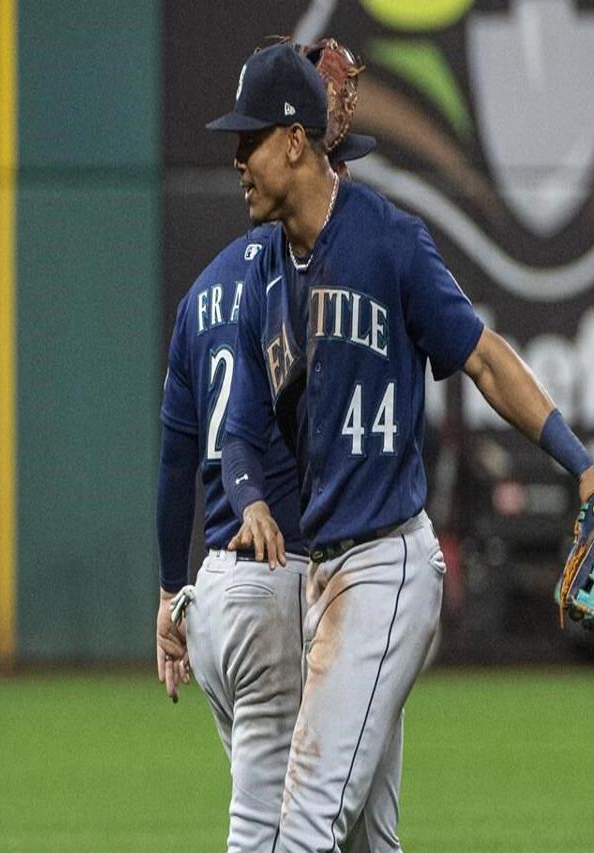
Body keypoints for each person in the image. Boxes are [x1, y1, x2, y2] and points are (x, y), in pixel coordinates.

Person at [205, 42, 594, 852]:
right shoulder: (262, 278)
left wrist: (580, 459)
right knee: (365, 840)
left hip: (385, 571)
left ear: (291, 141)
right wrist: (247, 497)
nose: (235, 159)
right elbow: (238, 426)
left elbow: (483, 356)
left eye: (247, 140)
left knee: (302, 819)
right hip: (321, 579)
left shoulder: (388, 240)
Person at [156, 118, 376, 847]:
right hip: (276, 580)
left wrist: (166, 592)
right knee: (273, 830)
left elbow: (175, 457)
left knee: (303, 823)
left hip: (211, 592)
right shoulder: (293, 275)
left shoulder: (202, 291)